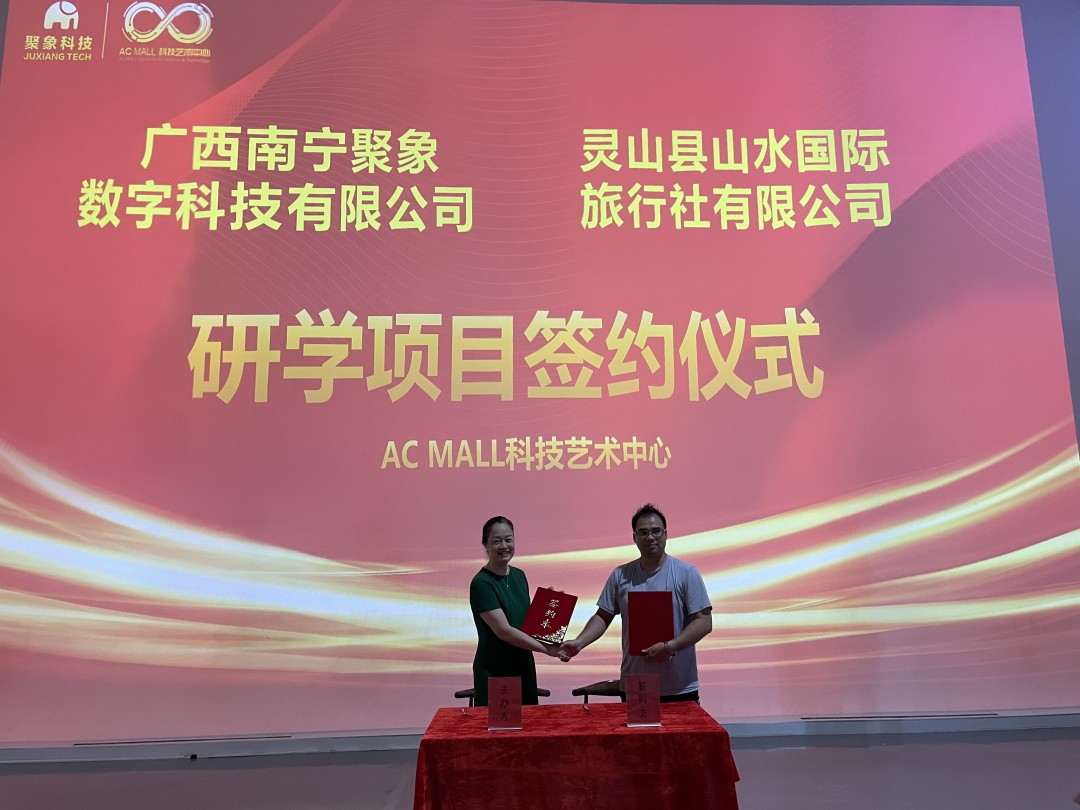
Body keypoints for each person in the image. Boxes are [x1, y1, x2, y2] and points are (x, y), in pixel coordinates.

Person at [560, 503, 712, 701]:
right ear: (634, 537)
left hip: (678, 686)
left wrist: (670, 647)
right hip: (636, 683)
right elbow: (603, 616)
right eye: (643, 532)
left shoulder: (686, 573)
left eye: (656, 531)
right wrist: (579, 642)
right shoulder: (620, 575)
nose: (650, 537)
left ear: (666, 534)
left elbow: (703, 622)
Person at [469, 515, 559, 706]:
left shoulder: (519, 575)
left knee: (527, 722)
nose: (504, 546)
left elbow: (525, 622)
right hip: (496, 668)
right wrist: (548, 649)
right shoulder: (481, 583)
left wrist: (547, 607)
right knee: (501, 723)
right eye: (497, 541)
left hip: (523, 664)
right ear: (485, 545)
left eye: (508, 539)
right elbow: (505, 631)